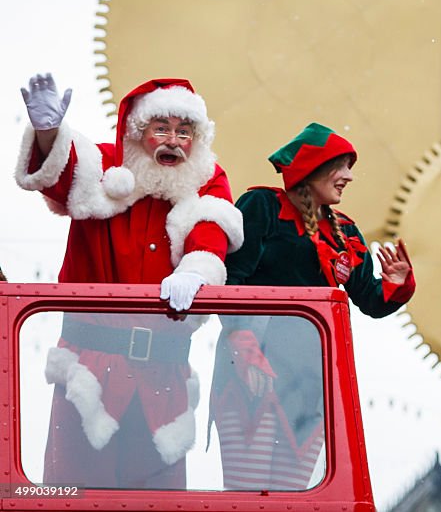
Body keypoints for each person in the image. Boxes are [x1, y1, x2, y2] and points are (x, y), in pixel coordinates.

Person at [15, 73, 244, 488]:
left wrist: (195, 270)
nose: (174, 141)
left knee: (158, 496)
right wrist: (48, 133)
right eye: (162, 129)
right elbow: (61, 172)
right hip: (89, 368)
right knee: (77, 491)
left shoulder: (205, 180)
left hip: (163, 377)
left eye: (184, 132)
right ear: (139, 132)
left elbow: (211, 227)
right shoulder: (104, 167)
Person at [211, 122, 415, 491]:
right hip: (252, 374)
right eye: (341, 166)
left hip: (310, 382)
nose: (349, 177)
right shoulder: (263, 206)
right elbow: (231, 281)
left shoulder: (346, 231)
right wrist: (244, 345)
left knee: (294, 498)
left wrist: (396, 283)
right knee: (248, 495)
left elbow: (369, 299)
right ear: (313, 168)